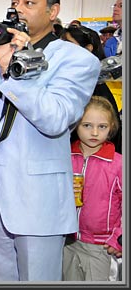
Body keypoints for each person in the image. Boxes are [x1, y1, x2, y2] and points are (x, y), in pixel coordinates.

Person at [0, 0, 101, 281]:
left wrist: (11, 66)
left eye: (29, 3)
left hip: (37, 192)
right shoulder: (0, 50)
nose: (19, 9)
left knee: (37, 278)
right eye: (15, 3)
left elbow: (55, 118)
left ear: (53, 11)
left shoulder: (75, 59)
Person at [63, 96, 122, 281]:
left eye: (102, 127)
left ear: (111, 127)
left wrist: (119, 238)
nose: (94, 132)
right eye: (87, 125)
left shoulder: (118, 163)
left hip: (102, 247)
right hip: (67, 242)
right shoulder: (64, 157)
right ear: (75, 125)